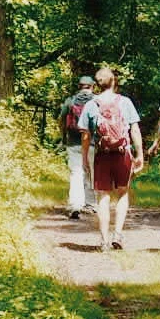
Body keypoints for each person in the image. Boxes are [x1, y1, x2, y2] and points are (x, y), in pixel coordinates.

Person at [80, 66, 143, 251]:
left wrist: (85, 158)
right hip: (123, 153)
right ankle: (118, 235)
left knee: (103, 197)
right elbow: (134, 129)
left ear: (97, 85)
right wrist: (139, 154)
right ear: (113, 82)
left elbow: (85, 135)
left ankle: (104, 240)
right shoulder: (125, 102)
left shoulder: (91, 105)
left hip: (102, 154)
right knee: (123, 193)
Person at [58, 71, 96, 219]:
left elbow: (62, 120)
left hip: (73, 142)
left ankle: (75, 205)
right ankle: (91, 204)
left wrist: (63, 138)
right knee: (91, 172)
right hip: (92, 143)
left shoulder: (70, 101)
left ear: (79, 86)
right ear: (92, 87)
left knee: (76, 173)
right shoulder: (96, 101)